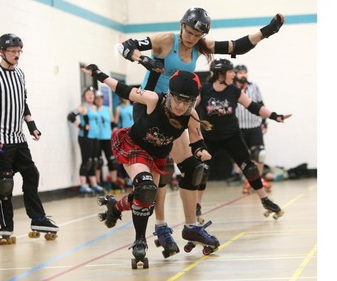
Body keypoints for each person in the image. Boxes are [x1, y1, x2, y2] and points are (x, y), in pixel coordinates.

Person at [116, 7, 285, 255]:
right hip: (150, 109)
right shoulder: (166, 40)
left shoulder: (200, 46)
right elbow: (124, 46)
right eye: (190, 32)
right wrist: (142, 59)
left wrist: (268, 31)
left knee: (193, 169)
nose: (192, 38)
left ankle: (191, 226)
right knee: (160, 171)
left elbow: (237, 46)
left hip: (176, 110)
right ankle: (161, 227)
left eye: (197, 35)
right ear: (182, 25)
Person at [82, 64, 219, 266]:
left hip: (157, 156)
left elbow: (197, 140)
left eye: (187, 102)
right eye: (178, 99)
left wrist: (202, 151)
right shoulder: (154, 99)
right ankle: (139, 241)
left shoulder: (191, 116)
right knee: (145, 188)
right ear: (170, 94)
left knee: (146, 197)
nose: (181, 106)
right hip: (133, 147)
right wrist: (98, 74)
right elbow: (123, 89)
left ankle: (116, 206)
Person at [0, 33, 58, 244]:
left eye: (19, 51)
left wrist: (32, 126)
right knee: (6, 182)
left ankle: (38, 218)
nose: (17, 55)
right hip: (1, 140)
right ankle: (6, 227)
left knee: (31, 174)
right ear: (1, 52)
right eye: (13, 52)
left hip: (19, 138)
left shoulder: (20, 74)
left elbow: (22, 103)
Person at [196, 58, 291, 220]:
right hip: (210, 138)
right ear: (220, 74)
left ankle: (265, 200)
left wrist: (275, 116)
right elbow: (190, 108)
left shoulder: (233, 90)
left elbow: (254, 107)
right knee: (202, 171)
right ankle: (196, 206)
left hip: (232, 136)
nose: (233, 74)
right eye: (230, 71)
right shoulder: (204, 90)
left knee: (250, 168)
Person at [234, 64, 272, 193]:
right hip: (239, 128)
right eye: (240, 73)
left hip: (254, 126)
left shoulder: (254, 87)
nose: (243, 75)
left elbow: (260, 105)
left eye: (245, 72)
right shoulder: (231, 88)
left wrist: (264, 122)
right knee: (244, 157)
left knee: (260, 154)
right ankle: (248, 180)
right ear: (235, 74)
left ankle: (259, 179)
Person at [67, 87, 106, 196]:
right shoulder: (83, 107)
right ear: (85, 96)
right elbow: (70, 116)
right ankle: (83, 185)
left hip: (95, 137)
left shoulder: (95, 107)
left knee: (94, 161)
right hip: (85, 137)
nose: (90, 96)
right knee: (86, 160)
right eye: (88, 94)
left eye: (92, 94)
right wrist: (81, 126)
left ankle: (93, 184)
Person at [94, 91, 121, 192]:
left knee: (111, 160)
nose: (99, 100)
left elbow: (113, 123)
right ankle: (97, 182)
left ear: (102, 99)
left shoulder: (107, 109)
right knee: (98, 161)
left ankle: (113, 182)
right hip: (96, 138)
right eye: (97, 98)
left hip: (107, 138)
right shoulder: (93, 109)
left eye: (100, 98)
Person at [114, 98, 134, 191]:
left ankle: (132, 177)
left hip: (133, 133)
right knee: (125, 157)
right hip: (124, 134)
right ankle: (124, 178)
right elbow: (116, 122)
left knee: (134, 156)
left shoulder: (133, 107)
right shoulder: (119, 108)